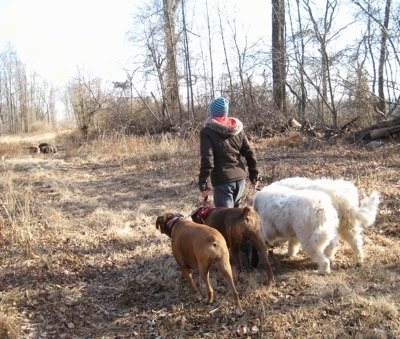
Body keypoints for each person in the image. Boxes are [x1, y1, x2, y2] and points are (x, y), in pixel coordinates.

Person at [198, 96, 260, 266]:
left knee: (225, 221)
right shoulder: (237, 128)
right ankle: (248, 246)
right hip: (240, 178)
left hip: (222, 180)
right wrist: (253, 174)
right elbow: (249, 153)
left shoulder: (207, 131)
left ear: (212, 112)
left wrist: (203, 182)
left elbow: (207, 159)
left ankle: (236, 254)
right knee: (237, 217)